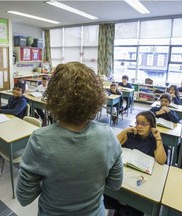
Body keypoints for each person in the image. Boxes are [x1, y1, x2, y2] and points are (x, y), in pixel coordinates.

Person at [16, 62, 123, 216]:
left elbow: (24, 197)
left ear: (53, 96)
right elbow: (115, 184)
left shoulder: (41, 139)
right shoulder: (108, 135)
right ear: (96, 97)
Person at [104, 110, 167, 216]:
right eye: (137, 123)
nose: (139, 126)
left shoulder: (153, 140)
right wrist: (125, 131)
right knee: (110, 195)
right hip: (124, 171)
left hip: (141, 177)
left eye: (143, 124)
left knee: (134, 208)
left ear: (151, 125)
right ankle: (119, 208)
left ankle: (126, 210)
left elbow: (161, 161)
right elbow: (113, 145)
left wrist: (158, 138)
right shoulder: (131, 135)